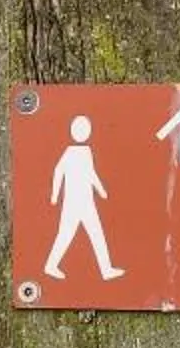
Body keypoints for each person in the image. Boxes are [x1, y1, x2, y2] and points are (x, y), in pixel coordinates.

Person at [44, 115, 122, 280]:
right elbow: (59, 171)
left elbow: (90, 173)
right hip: (73, 202)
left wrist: (100, 190)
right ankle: (51, 265)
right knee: (65, 234)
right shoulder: (70, 152)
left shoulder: (87, 151)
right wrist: (54, 195)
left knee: (96, 233)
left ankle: (106, 270)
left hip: (87, 201)